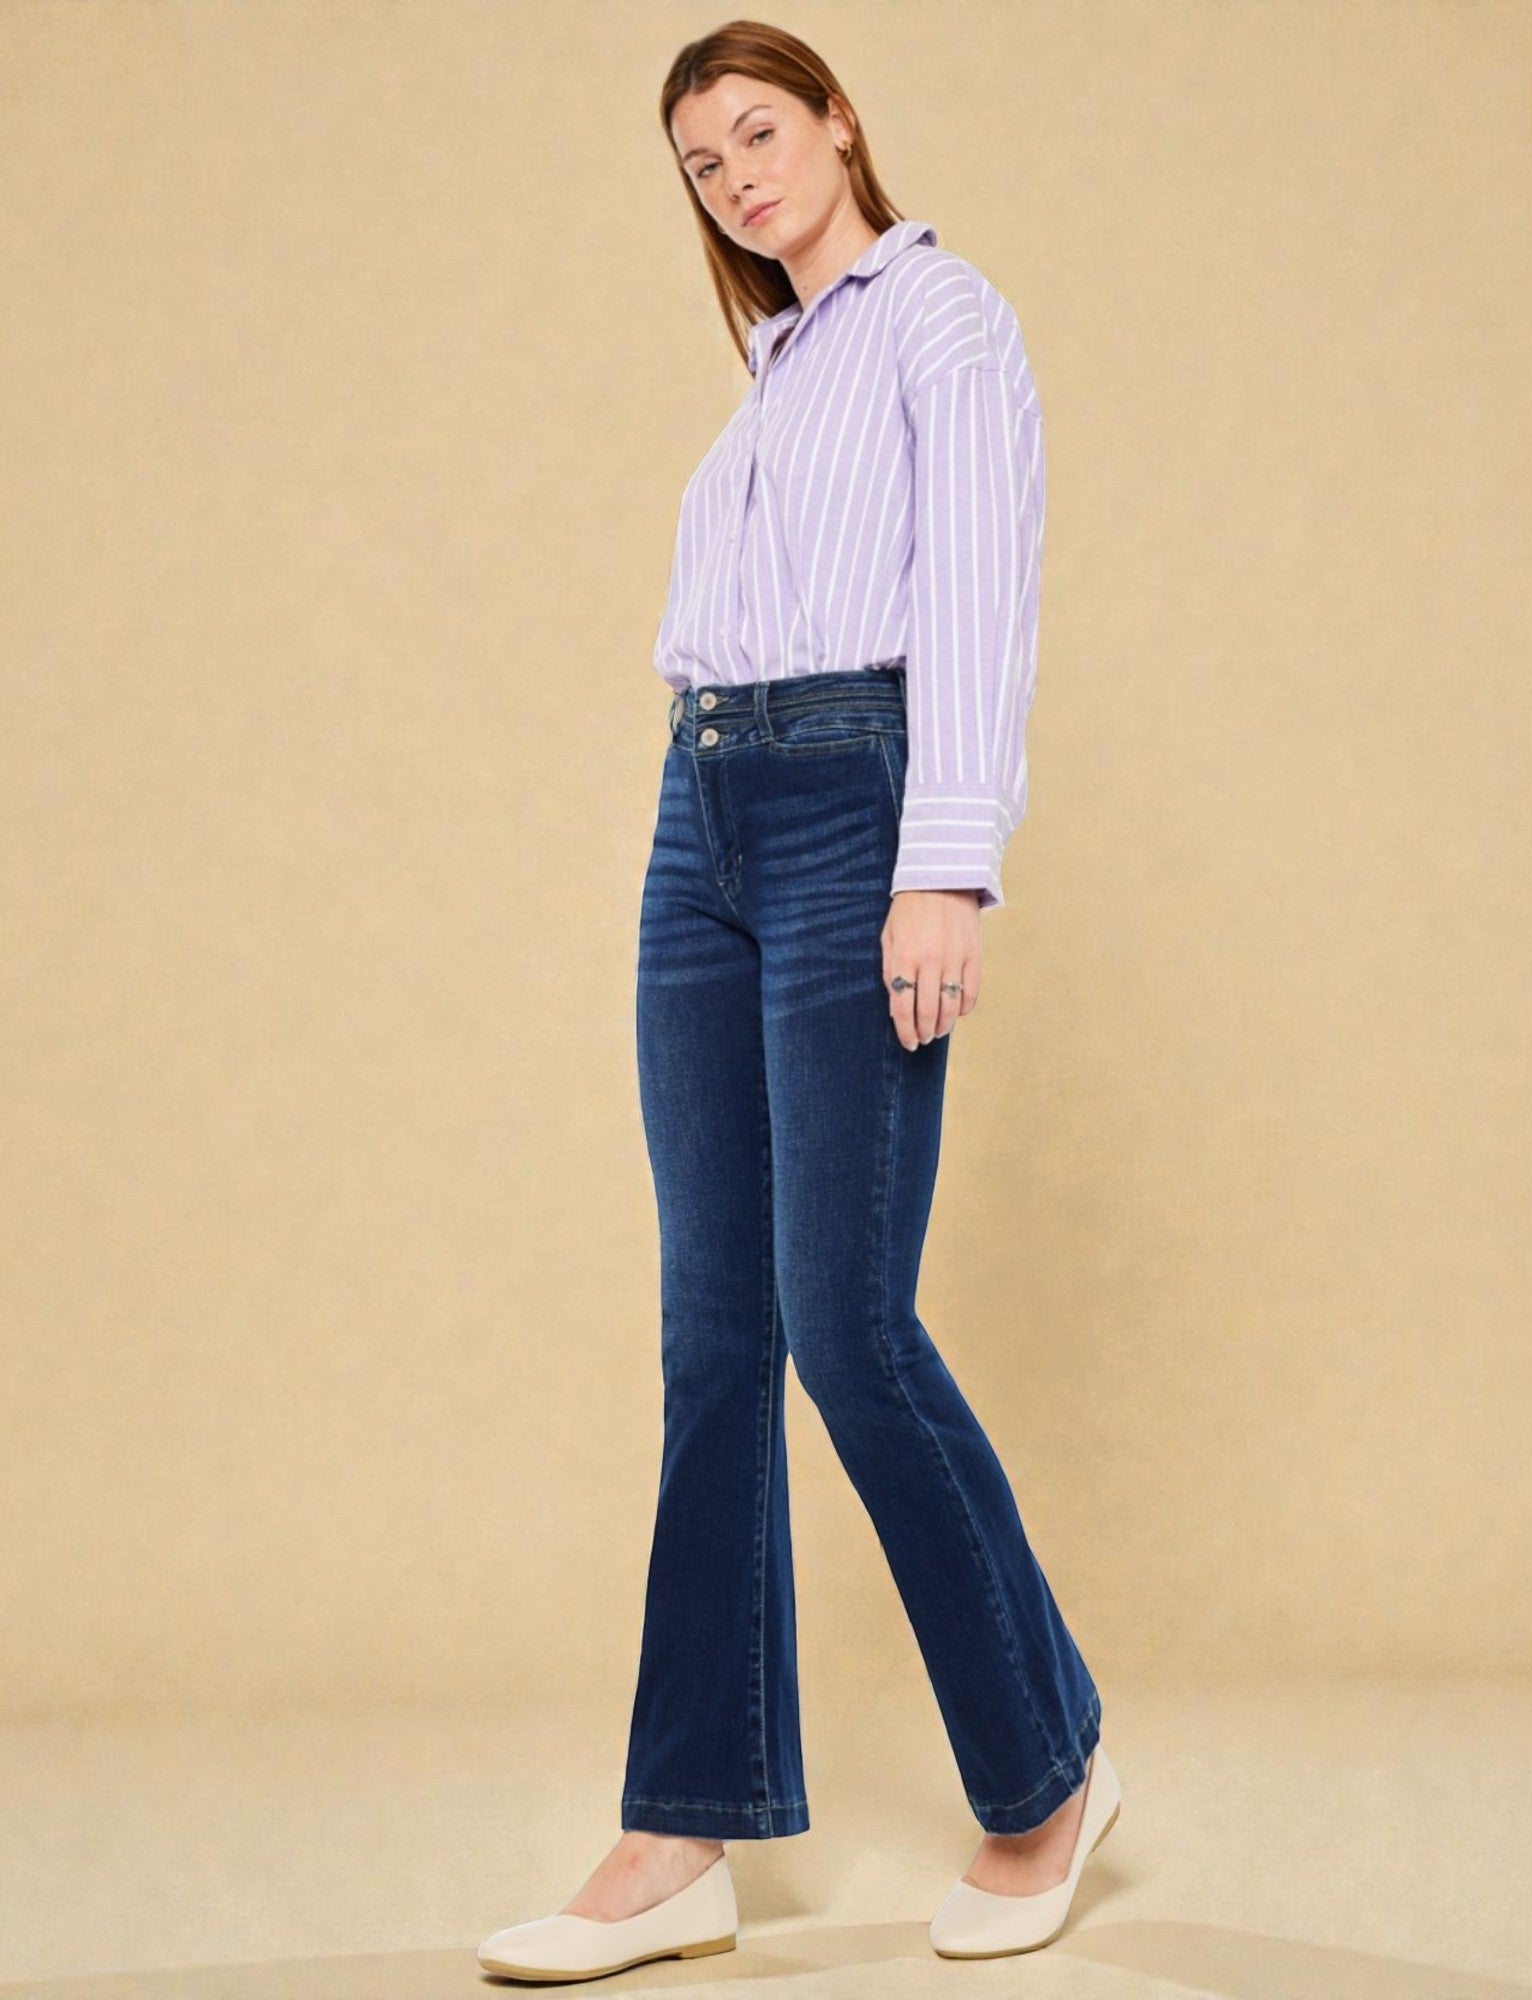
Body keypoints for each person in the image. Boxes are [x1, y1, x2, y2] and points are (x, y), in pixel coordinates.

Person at [478, 22, 1120, 1984]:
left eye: (759, 130)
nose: (737, 174)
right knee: (712, 1337)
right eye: (701, 161)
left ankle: (1046, 1772)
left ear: (839, 123)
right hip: (703, 814)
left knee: (846, 1325)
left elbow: (981, 592)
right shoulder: (771, 370)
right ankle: (682, 1824)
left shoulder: (940, 319)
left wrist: (946, 861)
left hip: (858, 805)